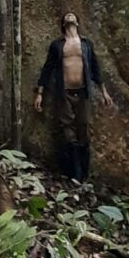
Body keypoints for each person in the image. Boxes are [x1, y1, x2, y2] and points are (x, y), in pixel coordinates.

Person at [34, 12, 113, 183]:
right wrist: (40, 93)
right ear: (63, 23)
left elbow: (95, 67)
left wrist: (104, 91)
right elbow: (47, 69)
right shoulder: (57, 45)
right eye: (67, 15)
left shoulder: (86, 44)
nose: (69, 15)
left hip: (83, 93)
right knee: (68, 131)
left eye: (72, 15)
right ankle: (73, 173)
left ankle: (84, 172)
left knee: (83, 128)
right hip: (64, 94)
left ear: (77, 21)